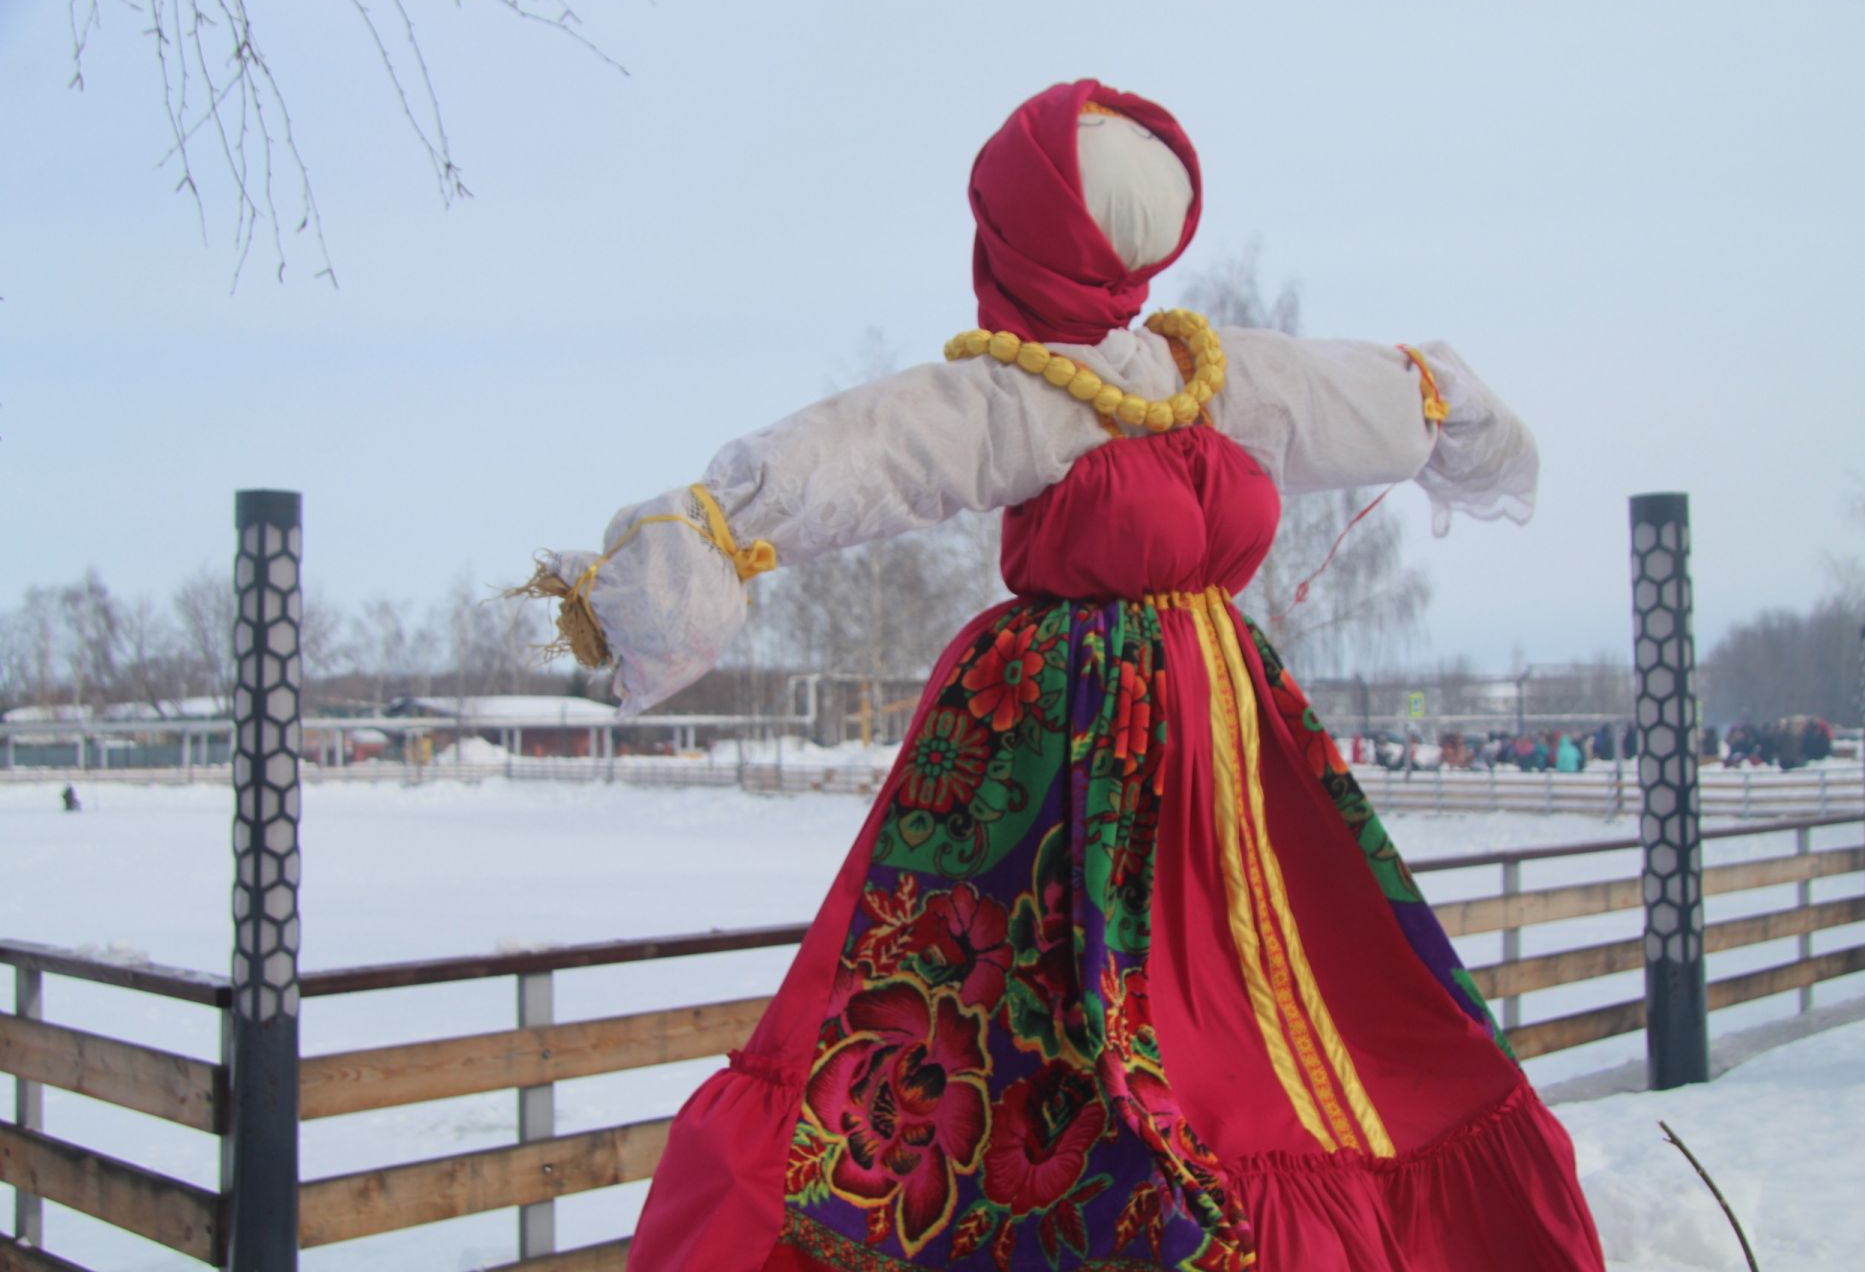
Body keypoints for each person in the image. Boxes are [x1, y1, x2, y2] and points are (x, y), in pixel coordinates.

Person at [528, 79, 1600, 1272]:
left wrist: (1442, 407)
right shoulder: (1013, 392)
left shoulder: (1203, 368)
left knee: (1284, 1012)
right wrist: (710, 533)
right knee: (1040, 1010)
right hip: (1055, 742)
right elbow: (868, 450)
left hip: (1227, 753)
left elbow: (1342, 394)